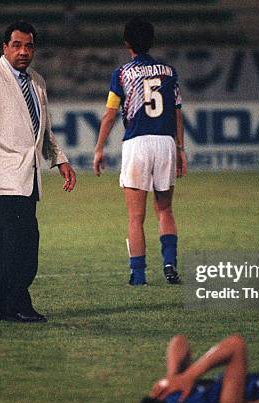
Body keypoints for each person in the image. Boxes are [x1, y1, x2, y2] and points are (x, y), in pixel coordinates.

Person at [0, 21, 76, 323]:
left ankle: (7, 305)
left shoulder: (36, 81)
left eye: (28, 46)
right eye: (17, 45)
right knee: (18, 241)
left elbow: (44, 130)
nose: (23, 51)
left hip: (28, 177)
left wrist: (59, 159)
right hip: (2, 177)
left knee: (22, 241)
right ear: (4, 48)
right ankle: (13, 304)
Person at [93, 18, 187, 286]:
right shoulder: (169, 72)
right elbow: (177, 113)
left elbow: (110, 115)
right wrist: (180, 149)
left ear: (127, 43)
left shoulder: (122, 73)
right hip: (165, 142)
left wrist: (99, 148)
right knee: (165, 210)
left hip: (137, 144)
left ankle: (138, 275)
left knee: (136, 217)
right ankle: (170, 266)